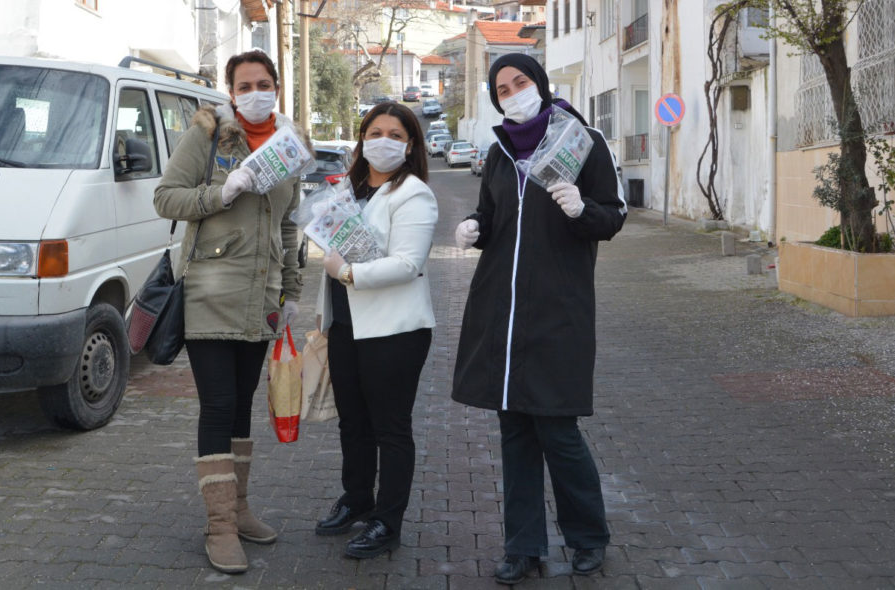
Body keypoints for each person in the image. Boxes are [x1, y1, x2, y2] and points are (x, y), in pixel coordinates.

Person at [451, 54, 627, 585]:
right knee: (515, 433)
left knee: (558, 430)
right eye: (502, 89)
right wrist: (474, 226)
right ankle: (522, 547)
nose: (513, 94)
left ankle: (588, 537)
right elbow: (492, 214)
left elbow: (613, 214)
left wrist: (582, 209)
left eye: (521, 82)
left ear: (541, 84)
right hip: (501, 311)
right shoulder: (499, 152)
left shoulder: (583, 140)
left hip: (558, 311)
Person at [153, 50, 303, 574]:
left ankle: (238, 511)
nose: (255, 92)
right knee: (218, 405)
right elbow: (166, 198)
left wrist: (291, 291)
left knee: (241, 406)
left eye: (264, 84)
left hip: (262, 298)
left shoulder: (288, 143)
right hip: (211, 293)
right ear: (231, 91)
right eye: (245, 85)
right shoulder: (209, 134)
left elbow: (288, 223)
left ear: (276, 87)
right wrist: (223, 191)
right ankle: (218, 527)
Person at [313, 102, 437, 559]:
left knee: (391, 428)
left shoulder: (414, 194)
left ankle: (388, 520)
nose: (383, 141)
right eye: (375, 132)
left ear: (410, 145)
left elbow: (407, 264)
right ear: (362, 138)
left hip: (394, 331)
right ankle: (357, 498)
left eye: (395, 135)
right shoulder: (347, 189)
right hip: (346, 324)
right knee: (353, 422)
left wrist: (347, 273)